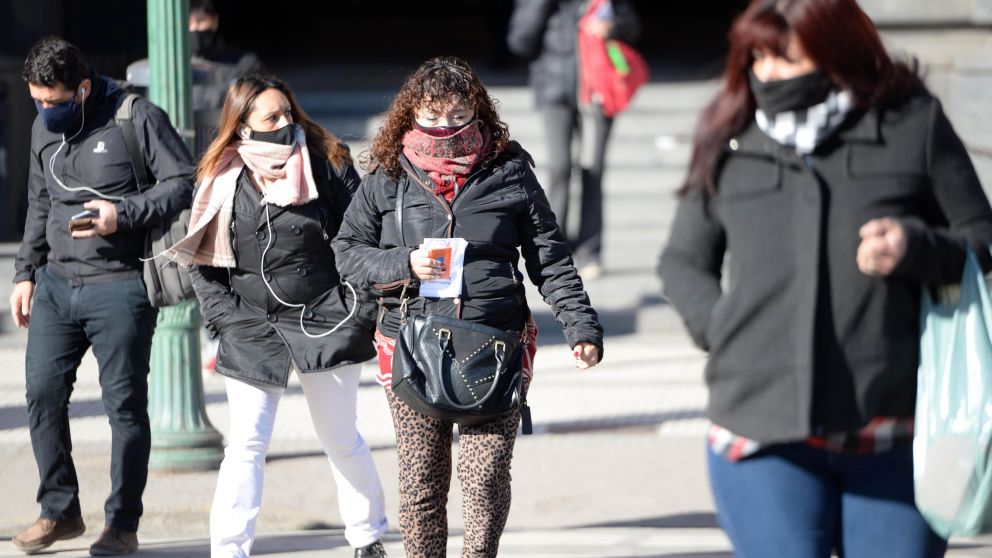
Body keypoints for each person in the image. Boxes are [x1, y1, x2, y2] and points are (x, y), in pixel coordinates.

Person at [658, 1, 992, 556]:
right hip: (759, 430)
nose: (767, 74)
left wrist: (917, 248)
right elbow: (682, 261)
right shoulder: (729, 132)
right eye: (757, 57)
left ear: (838, 53)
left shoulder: (912, 122)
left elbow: (982, 239)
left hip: (893, 427)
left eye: (785, 58)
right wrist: (723, 331)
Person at [333, 56, 604, 558]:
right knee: (420, 487)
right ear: (410, 115)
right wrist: (405, 263)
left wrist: (580, 326)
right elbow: (346, 251)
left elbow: (549, 256)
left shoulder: (510, 171)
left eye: (456, 118)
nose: (444, 130)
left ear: (476, 112)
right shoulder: (388, 173)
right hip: (410, 344)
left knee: (485, 476)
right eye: (432, 118)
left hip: (495, 342)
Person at [167, 74, 388, 558]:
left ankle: (368, 537)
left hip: (325, 315)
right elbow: (204, 264)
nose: (285, 123)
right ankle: (229, 549)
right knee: (245, 445)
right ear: (243, 128)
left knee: (339, 436)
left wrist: (358, 310)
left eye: (288, 113)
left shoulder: (327, 160)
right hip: (250, 322)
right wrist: (225, 320)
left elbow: (366, 237)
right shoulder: (219, 176)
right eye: (272, 117)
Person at [10, 36, 195, 556]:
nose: (46, 110)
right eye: (38, 102)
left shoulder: (134, 116)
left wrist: (122, 214)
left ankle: (122, 525)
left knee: (124, 408)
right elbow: (38, 202)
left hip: (120, 285)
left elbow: (182, 182)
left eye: (56, 101)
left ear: (84, 88)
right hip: (55, 285)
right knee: (43, 395)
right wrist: (25, 273)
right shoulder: (42, 129)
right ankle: (59, 509)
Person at [507, 0, 641, 279]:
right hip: (555, 90)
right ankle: (556, 246)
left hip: (599, 93)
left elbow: (633, 27)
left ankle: (591, 250)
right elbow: (520, 41)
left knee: (594, 170)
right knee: (560, 167)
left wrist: (612, 27)